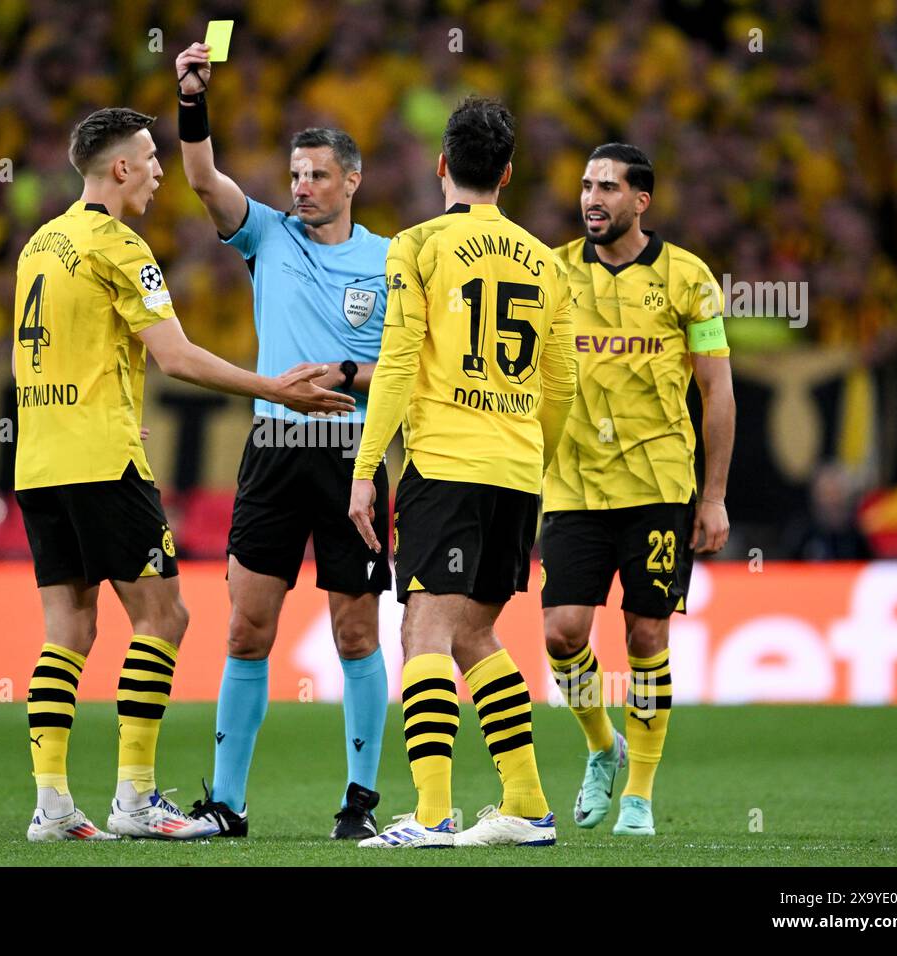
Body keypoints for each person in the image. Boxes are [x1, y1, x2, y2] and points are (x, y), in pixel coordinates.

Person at [14, 107, 354, 842]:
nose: (161, 170)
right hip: (102, 463)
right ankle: (135, 800)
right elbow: (176, 356)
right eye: (149, 157)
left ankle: (52, 806)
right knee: (163, 619)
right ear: (121, 169)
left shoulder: (40, 243)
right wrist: (274, 388)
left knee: (67, 629)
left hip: (40, 460)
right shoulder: (117, 245)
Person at [174, 41, 393, 839]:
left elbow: (404, 368)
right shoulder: (266, 234)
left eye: (317, 175)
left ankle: (360, 805)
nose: (301, 188)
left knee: (356, 630)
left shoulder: (390, 261)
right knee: (246, 628)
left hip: (352, 457)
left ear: (352, 180)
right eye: (296, 174)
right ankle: (226, 804)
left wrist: (344, 372)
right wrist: (194, 98)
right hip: (272, 449)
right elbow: (201, 177)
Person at [348, 97, 576, 848]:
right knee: (475, 632)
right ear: (507, 173)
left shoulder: (415, 247)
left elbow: (399, 360)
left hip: (445, 465)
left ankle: (436, 813)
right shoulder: (547, 262)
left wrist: (364, 469)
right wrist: (529, 455)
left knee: (425, 631)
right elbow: (563, 383)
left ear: (443, 164)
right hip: (515, 471)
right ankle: (528, 805)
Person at [542, 143, 735, 837]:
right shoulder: (554, 271)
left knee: (647, 634)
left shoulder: (689, 278)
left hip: (659, 484)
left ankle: (641, 796)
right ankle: (602, 746)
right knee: (562, 633)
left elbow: (716, 390)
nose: (591, 199)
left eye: (607, 188)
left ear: (640, 201)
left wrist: (712, 497)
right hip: (571, 485)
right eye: (586, 186)